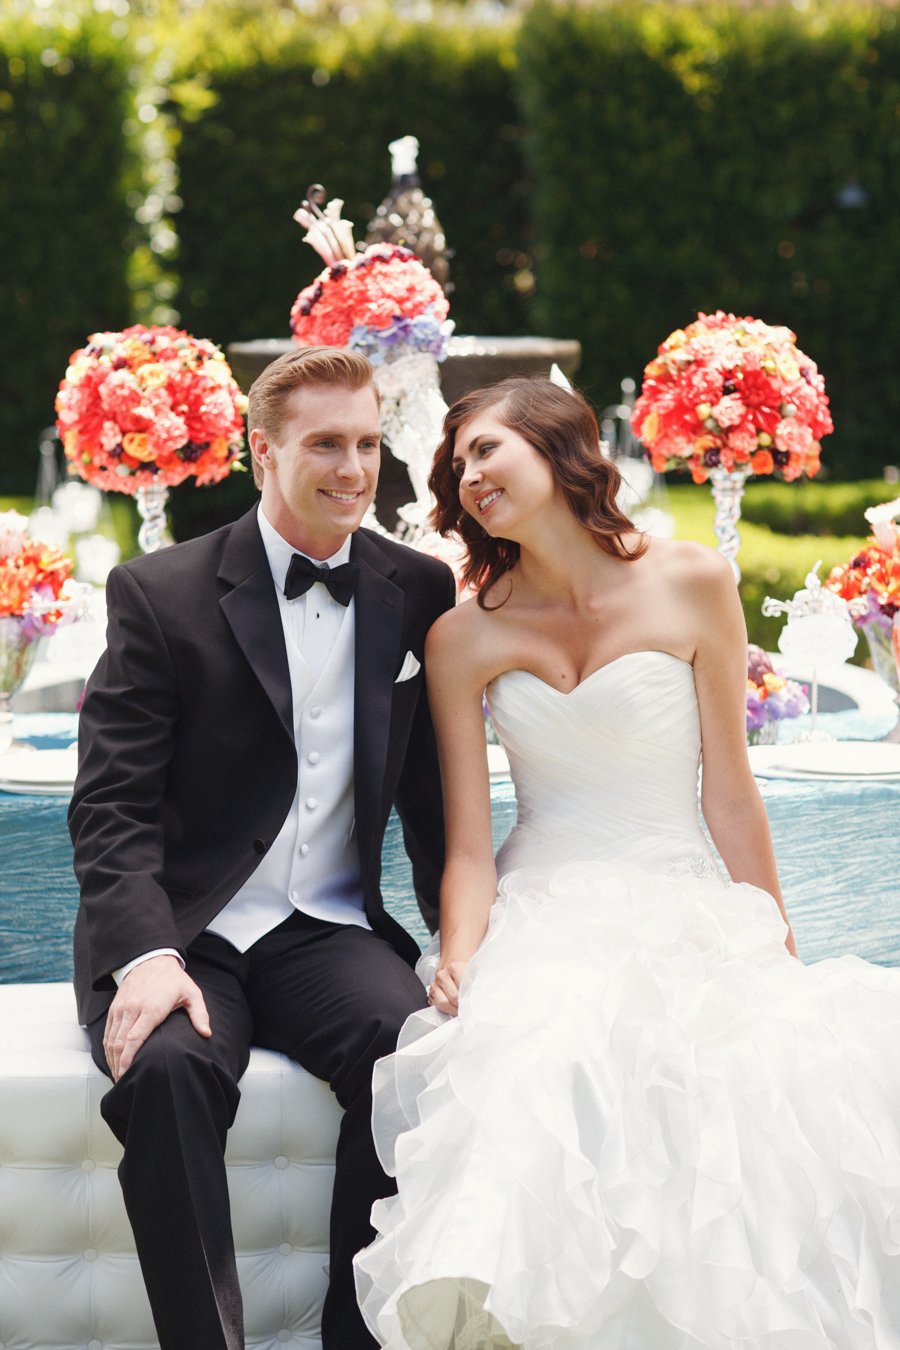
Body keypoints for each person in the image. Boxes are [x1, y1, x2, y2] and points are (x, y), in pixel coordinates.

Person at [354, 377, 900, 1350]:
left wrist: (770, 932)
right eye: (457, 461)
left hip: (682, 895)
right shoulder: (462, 633)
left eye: (487, 449)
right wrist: (459, 954)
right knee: (533, 1059)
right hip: (544, 905)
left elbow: (730, 792)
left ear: (560, 449)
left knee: (749, 1073)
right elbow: (470, 846)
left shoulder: (693, 580)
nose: (468, 472)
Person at [68, 345, 456, 1350]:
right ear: (262, 450)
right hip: (188, 929)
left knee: (412, 1054)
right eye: (326, 443)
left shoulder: (417, 589)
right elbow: (110, 809)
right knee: (164, 1075)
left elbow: (435, 804)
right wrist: (145, 954)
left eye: (369, 443)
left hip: (328, 931)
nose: (354, 468)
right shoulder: (161, 593)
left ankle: (353, 1339)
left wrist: (462, 944)